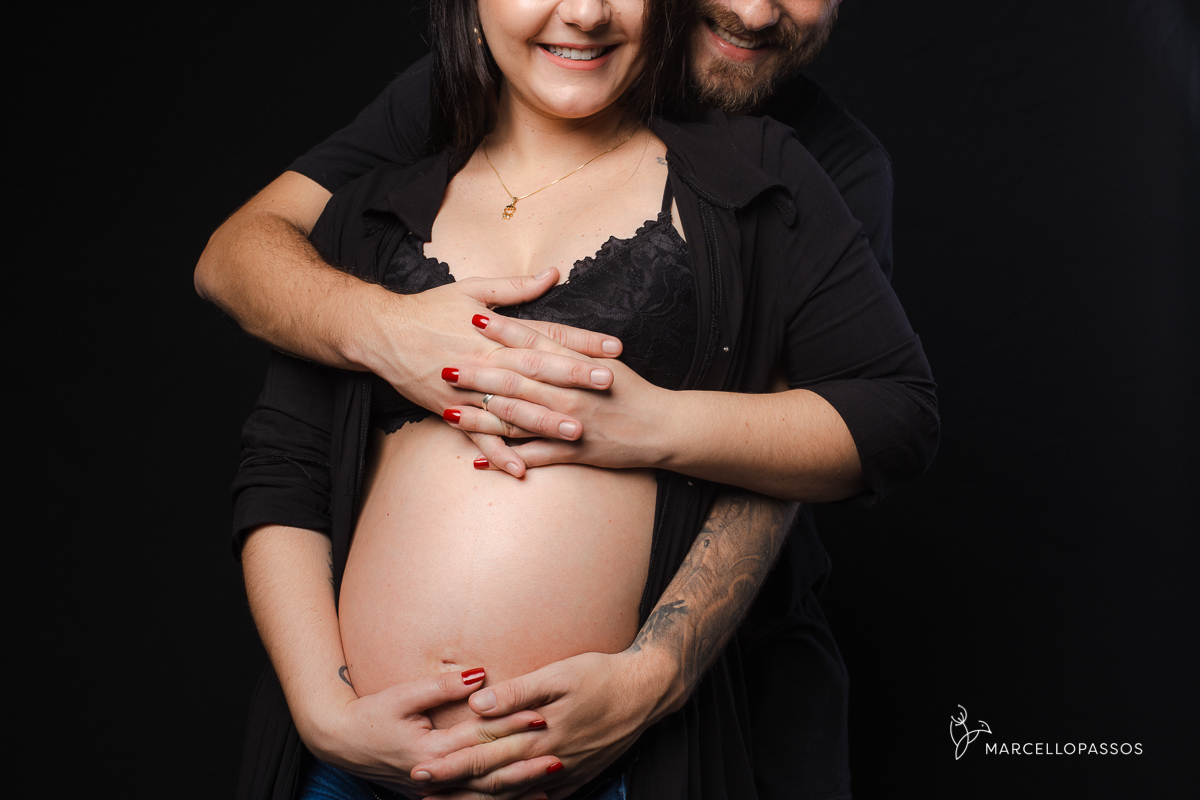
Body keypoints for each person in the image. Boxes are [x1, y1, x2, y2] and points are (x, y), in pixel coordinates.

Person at [202, 2, 928, 799]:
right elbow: (282, 448)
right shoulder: (386, 187)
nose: (582, 14)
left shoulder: (779, 169)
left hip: (631, 739)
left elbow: (854, 423)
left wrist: (655, 670)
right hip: (356, 764)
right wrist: (322, 709)